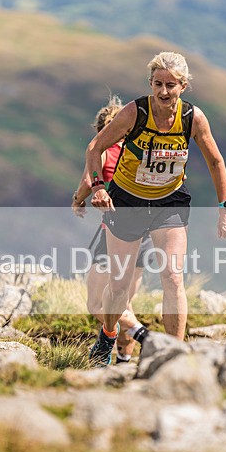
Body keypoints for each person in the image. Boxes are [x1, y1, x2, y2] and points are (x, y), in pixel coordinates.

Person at [84, 51, 226, 366]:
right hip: (127, 202)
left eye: (171, 85)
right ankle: (109, 333)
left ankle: (173, 355)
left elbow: (216, 161)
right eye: (158, 84)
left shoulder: (193, 118)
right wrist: (99, 187)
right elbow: (95, 147)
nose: (164, 92)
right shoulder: (134, 113)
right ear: (150, 84)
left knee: (173, 276)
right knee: (119, 284)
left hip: (169, 202)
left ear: (183, 86)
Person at [72, 95, 150, 364]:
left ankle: (144, 336)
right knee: (124, 303)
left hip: (115, 231)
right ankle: (122, 362)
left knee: (98, 304)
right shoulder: (139, 150)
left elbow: (87, 180)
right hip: (148, 231)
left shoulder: (102, 149)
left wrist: (77, 200)